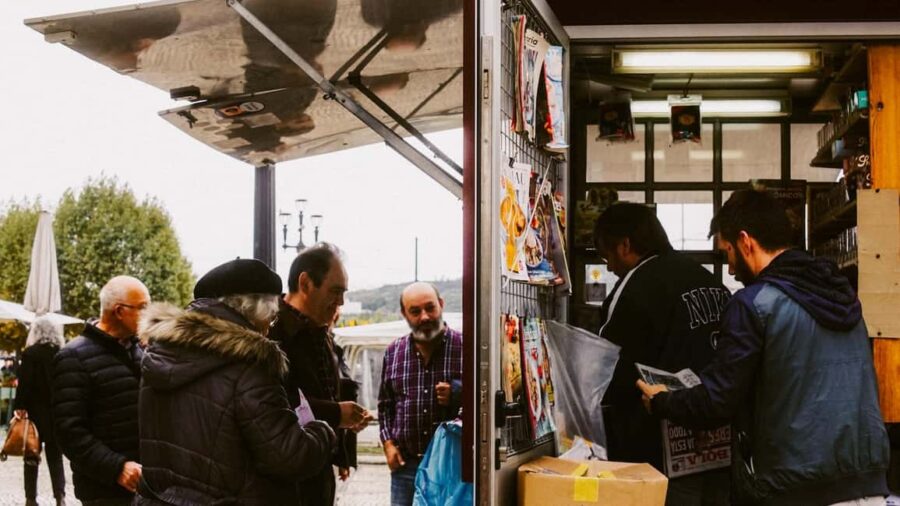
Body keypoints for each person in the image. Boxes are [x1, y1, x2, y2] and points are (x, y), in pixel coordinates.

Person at [637, 189, 890, 505]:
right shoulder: (843, 297)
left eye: (727, 252)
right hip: (868, 485)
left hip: (796, 488)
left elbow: (718, 402)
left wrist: (662, 401)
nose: (729, 268)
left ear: (745, 241)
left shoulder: (754, 304)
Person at [135, 258, 336, 504]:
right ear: (254, 311)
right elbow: (288, 456)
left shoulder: (159, 354)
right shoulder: (250, 364)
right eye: (271, 318)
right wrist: (322, 431)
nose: (269, 328)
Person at [593, 202, 732, 505]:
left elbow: (606, 367)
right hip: (720, 441)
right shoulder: (708, 279)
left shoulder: (634, 285)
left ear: (625, 245)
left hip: (659, 447)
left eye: (607, 256)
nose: (609, 268)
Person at [270, 243, 372, 506]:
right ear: (305, 283)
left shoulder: (320, 330)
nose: (340, 303)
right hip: (285, 486)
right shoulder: (271, 332)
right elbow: (275, 405)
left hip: (317, 477)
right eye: (335, 292)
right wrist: (338, 413)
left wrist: (346, 423)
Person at [52, 275, 149, 506]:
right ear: (119, 311)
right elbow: (69, 431)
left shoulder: (141, 352)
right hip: (104, 491)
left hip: (148, 486)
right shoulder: (72, 357)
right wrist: (117, 467)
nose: (150, 315)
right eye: (143, 308)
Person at [378, 282, 463, 506]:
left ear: (441, 305)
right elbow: (385, 405)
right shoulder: (393, 352)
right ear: (404, 314)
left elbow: (485, 398)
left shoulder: (467, 348)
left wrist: (458, 392)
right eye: (415, 311)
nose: (424, 317)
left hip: (453, 467)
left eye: (430, 308)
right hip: (406, 468)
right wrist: (388, 444)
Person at [13, 316, 67, 506]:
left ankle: (30, 498)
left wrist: (19, 407)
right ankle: (60, 496)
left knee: (31, 455)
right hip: (56, 413)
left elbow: (24, 385)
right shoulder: (62, 353)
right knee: (55, 456)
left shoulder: (30, 354)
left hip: (35, 414)